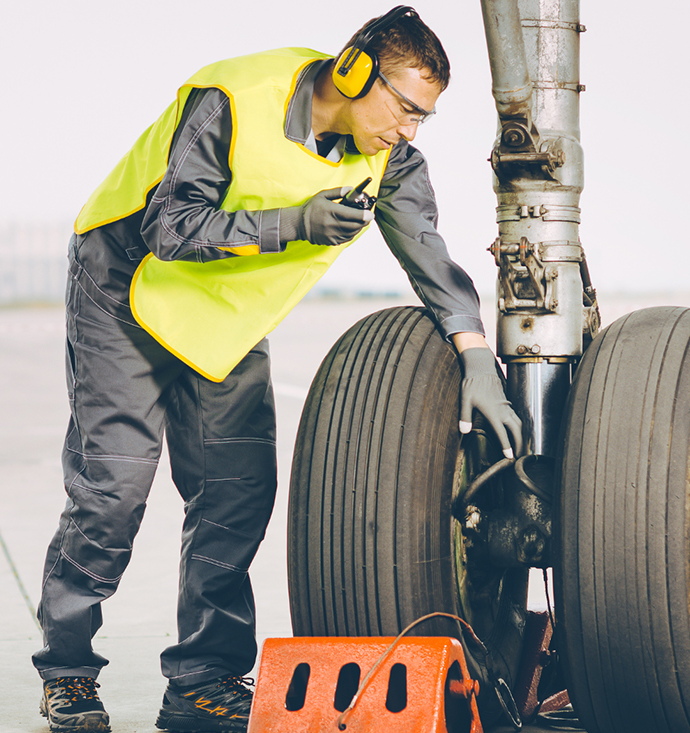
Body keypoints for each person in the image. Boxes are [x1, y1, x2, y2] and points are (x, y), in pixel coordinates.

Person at [33, 6, 522, 733]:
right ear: (356, 70)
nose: (411, 129)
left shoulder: (387, 161)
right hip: (123, 288)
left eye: (426, 117)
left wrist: (474, 354)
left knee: (236, 493)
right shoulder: (234, 100)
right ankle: (68, 674)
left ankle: (203, 680)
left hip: (222, 317)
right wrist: (296, 222)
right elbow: (170, 225)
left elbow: (429, 255)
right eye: (407, 108)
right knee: (113, 490)